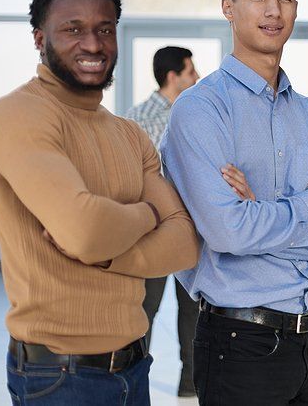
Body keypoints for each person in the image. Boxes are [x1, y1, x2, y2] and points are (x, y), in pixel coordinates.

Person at [0, 0, 198, 405]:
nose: (93, 44)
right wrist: (150, 214)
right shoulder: (17, 115)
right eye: (73, 30)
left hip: (134, 367)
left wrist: (106, 253)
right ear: (40, 39)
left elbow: (184, 245)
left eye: (104, 29)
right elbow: (85, 230)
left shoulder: (129, 133)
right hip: (59, 376)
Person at [160, 0, 308, 405]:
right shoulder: (200, 110)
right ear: (228, 7)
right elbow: (227, 231)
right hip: (239, 343)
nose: (274, 10)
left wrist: (260, 211)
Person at [124, 45, 200, 397]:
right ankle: (135, 381)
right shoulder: (136, 119)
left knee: (192, 310)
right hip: (153, 234)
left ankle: (190, 384)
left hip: (190, 231)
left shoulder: (194, 116)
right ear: (173, 77)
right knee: (145, 311)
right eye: (190, 71)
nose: (197, 77)